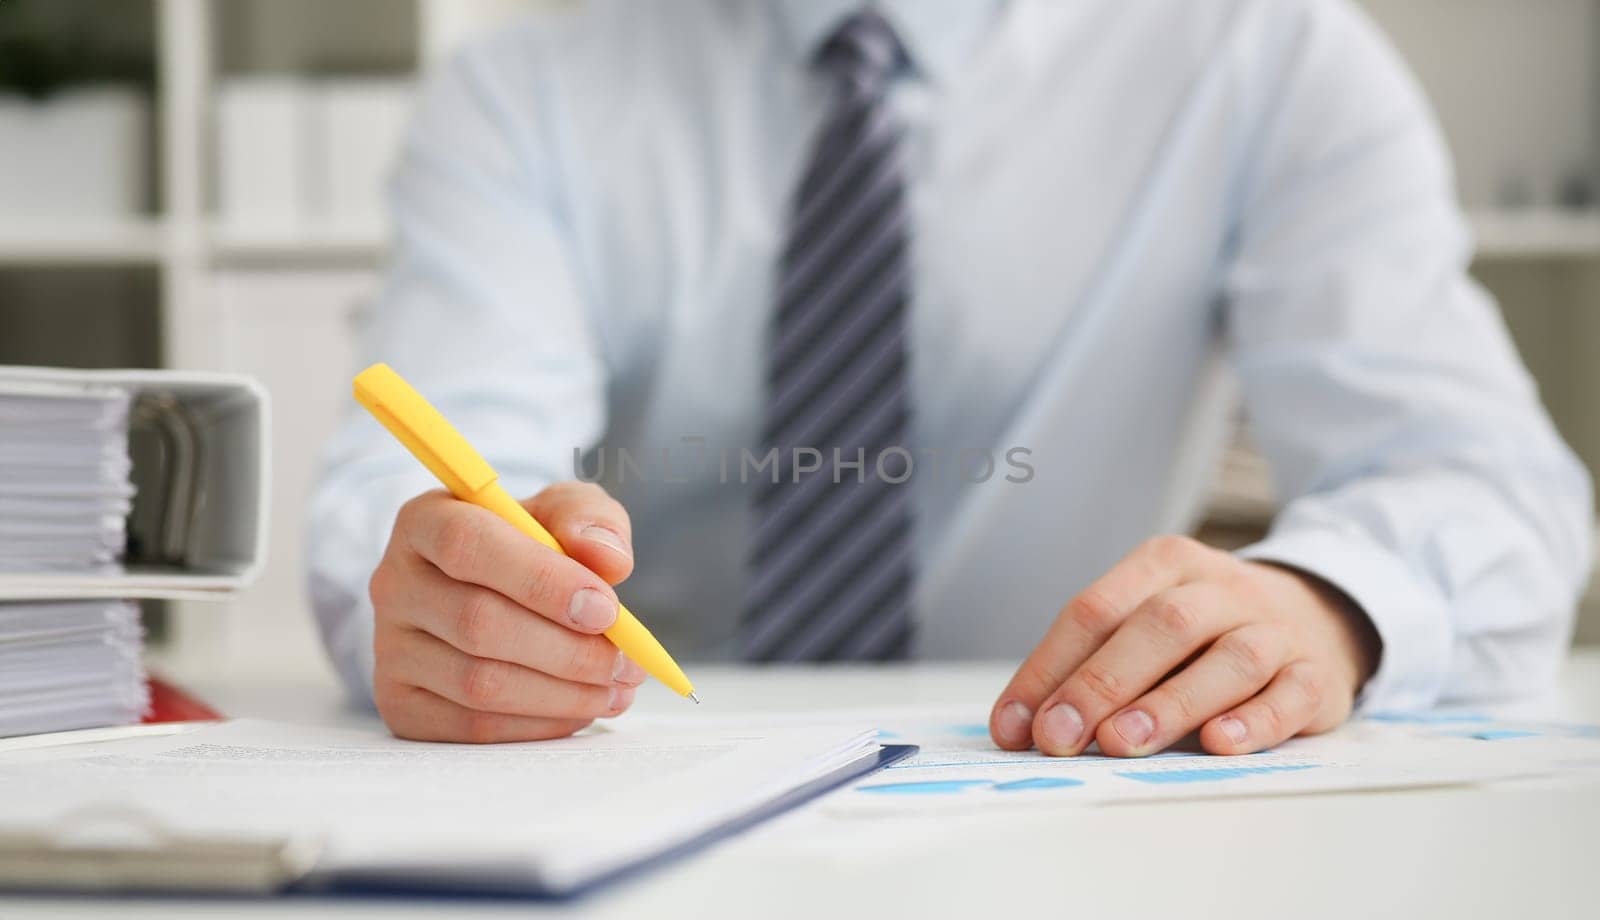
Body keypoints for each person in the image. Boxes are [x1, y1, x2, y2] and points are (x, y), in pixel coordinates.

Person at [307, 0, 1592, 756]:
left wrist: (1327, 602)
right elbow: (416, 469)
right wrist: (438, 602)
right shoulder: (522, 86)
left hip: (1076, 777)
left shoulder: (1262, 57)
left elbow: (1485, 480)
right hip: (619, 759)